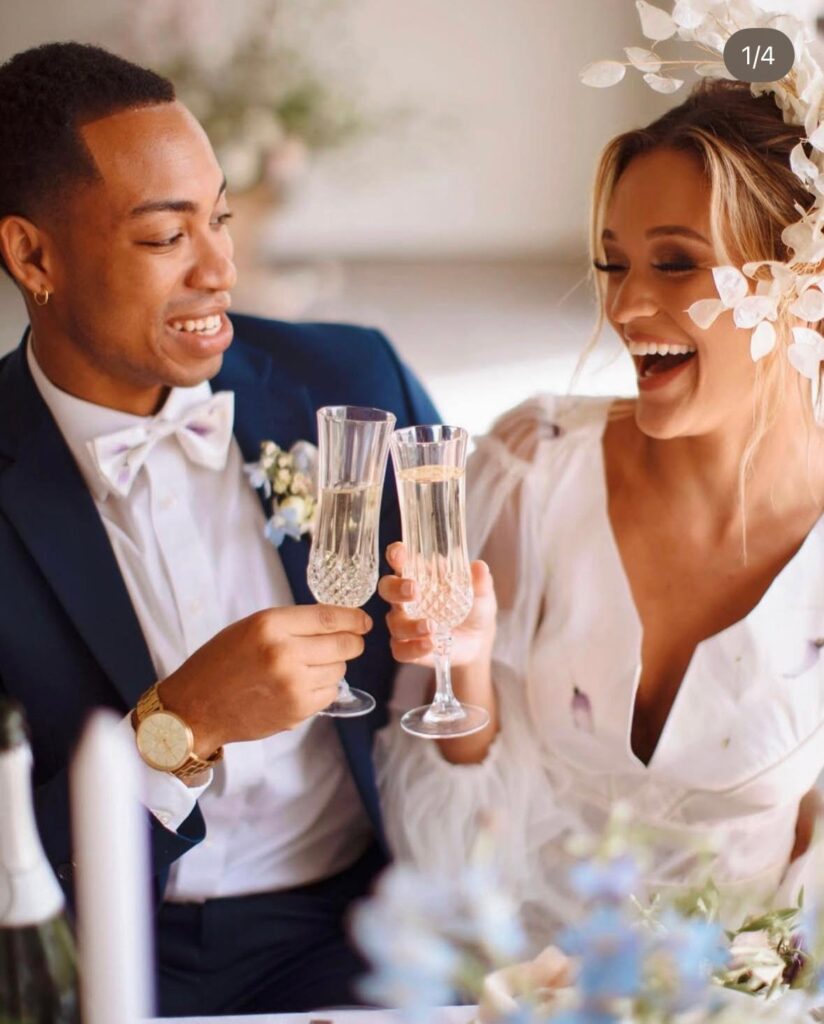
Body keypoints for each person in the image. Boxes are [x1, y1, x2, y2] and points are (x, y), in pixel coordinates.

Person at [0, 42, 437, 1016]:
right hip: (92, 946)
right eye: (166, 236)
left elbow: (471, 664)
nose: (221, 268)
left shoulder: (352, 381)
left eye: (222, 219)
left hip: (362, 933)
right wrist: (182, 723)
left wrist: (457, 640)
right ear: (34, 257)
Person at [378, 73, 824, 950]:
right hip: (510, 982)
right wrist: (465, 671)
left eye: (675, 262)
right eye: (614, 264)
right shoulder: (533, 467)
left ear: (803, 281)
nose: (623, 306)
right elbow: (442, 855)